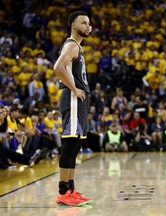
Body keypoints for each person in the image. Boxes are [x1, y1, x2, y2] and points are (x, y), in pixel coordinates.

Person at [53, 11, 93, 206]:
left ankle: (71, 189)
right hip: (72, 100)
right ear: (73, 26)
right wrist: (74, 88)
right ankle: (63, 192)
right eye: (83, 23)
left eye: (89, 23)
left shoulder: (77, 46)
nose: (88, 26)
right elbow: (58, 68)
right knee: (69, 146)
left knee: (75, 146)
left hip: (79, 101)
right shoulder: (71, 45)